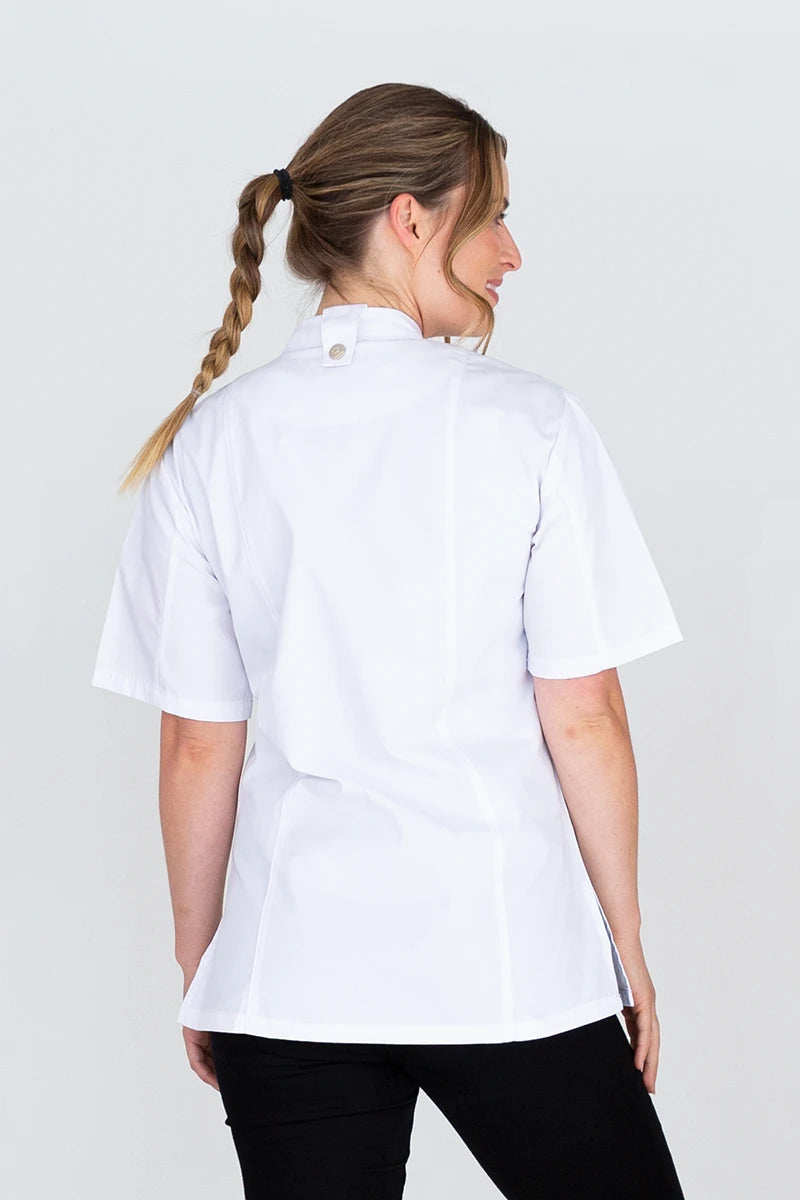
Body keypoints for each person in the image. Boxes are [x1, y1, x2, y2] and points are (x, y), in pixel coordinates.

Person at [91, 82, 687, 1199]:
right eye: (493, 215)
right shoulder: (530, 425)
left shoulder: (212, 444)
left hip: (288, 977)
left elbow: (196, 743)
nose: (511, 253)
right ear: (410, 220)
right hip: (504, 962)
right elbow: (585, 715)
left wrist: (207, 964)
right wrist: (627, 945)